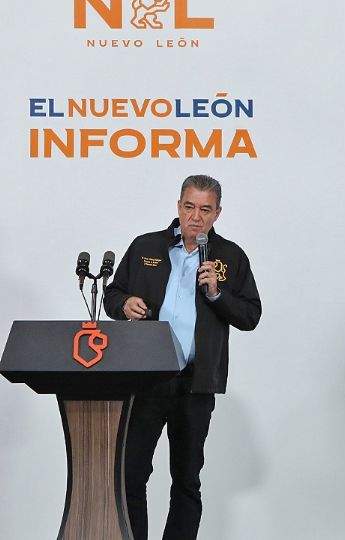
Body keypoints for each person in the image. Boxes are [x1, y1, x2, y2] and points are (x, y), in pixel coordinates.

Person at [104, 174, 262, 540]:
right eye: (189, 207)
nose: (196, 217)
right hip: (146, 379)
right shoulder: (146, 246)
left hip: (195, 383)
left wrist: (217, 294)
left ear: (217, 213)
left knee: (187, 480)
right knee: (130, 474)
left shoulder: (230, 256)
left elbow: (250, 315)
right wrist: (124, 304)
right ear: (178, 206)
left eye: (205, 209)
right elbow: (113, 294)